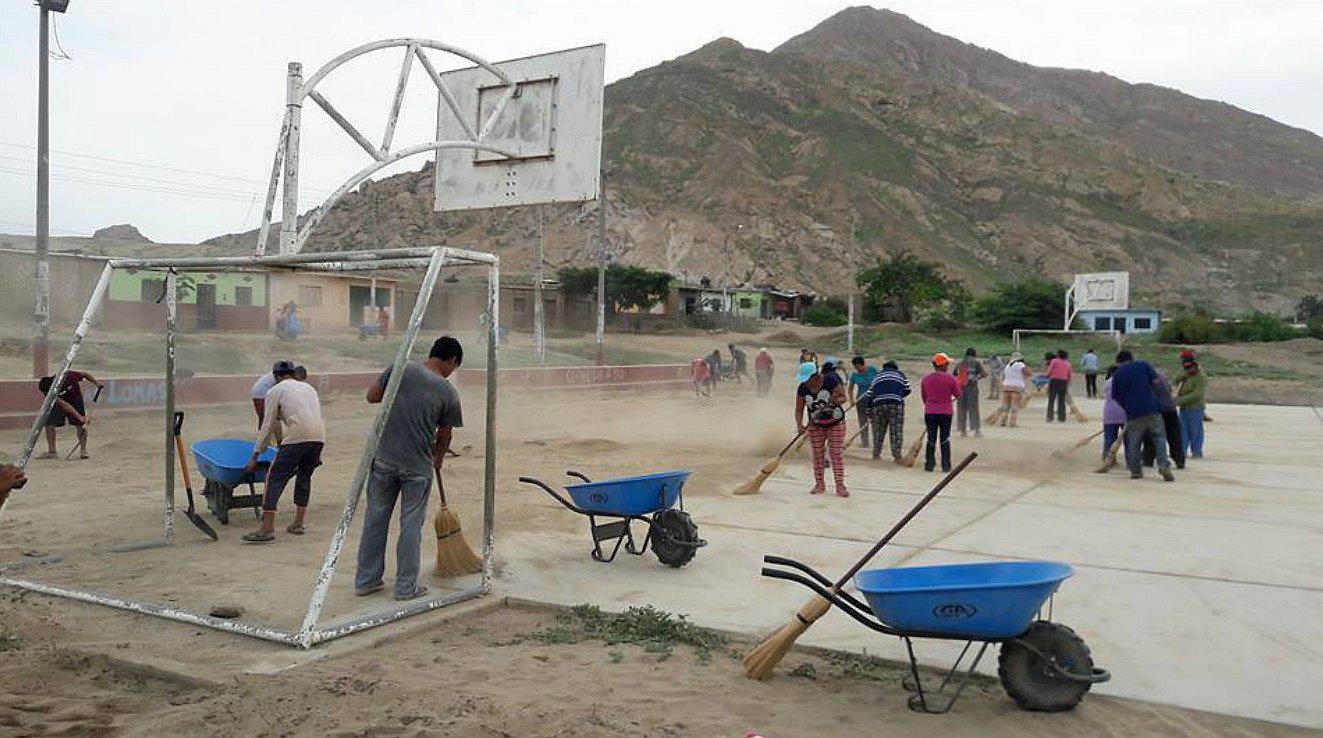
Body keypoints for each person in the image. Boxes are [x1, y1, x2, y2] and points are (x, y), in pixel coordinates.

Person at [355, 336, 465, 601]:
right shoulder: (447, 392)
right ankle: (406, 587)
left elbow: (372, 397)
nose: (452, 373)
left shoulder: (400, 367)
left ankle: (367, 580)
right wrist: (437, 458)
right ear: (452, 361)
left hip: (383, 460)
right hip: (417, 467)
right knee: (411, 526)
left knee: (375, 520)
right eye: (454, 367)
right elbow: (445, 436)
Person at [242, 361, 325, 543]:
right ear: (293, 374)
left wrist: (255, 456)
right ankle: (298, 523)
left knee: (274, 477)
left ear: (276, 376)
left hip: (296, 438)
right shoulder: (309, 388)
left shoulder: (274, 390)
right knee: (304, 477)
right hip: (319, 438)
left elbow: (267, 425)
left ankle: (267, 528)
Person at [1111, 350, 1175, 481]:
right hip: (1152, 408)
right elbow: (1157, 382)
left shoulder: (1117, 374)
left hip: (1133, 413)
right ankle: (1164, 466)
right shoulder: (1143, 365)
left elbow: (1115, 396)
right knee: (1159, 437)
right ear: (1131, 358)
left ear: (1119, 362)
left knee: (1134, 441)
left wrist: (1126, 405)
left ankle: (1135, 470)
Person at [795, 362, 848, 497]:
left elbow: (843, 397)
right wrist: (800, 425)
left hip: (835, 422)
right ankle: (819, 484)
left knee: (835, 453)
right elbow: (799, 409)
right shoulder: (802, 388)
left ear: (816, 376)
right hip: (816, 425)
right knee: (818, 455)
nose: (805, 382)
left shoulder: (830, 380)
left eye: (807, 379)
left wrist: (834, 401)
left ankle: (840, 486)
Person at [36, 370, 105, 460]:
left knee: (80, 425)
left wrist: (96, 383)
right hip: (60, 403)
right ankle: (52, 452)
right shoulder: (49, 394)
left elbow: (84, 374)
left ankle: (83, 450)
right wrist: (80, 417)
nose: (47, 394)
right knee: (49, 423)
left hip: (75, 399)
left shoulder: (69, 376)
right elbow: (65, 406)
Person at [862, 360, 910, 462]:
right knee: (896, 430)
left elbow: (869, 395)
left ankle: (876, 454)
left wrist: (869, 410)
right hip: (896, 405)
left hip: (879, 404)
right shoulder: (900, 374)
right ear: (896, 368)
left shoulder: (877, 376)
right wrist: (898, 395)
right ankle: (897, 456)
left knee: (878, 430)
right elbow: (908, 389)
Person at [920, 353, 961, 472]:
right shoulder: (951, 378)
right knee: (945, 438)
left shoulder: (926, 379)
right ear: (943, 365)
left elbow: (924, 397)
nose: (948, 365)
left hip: (930, 412)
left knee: (931, 438)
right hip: (946, 413)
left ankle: (929, 465)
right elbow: (958, 393)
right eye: (947, 363)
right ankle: (946, 465)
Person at [1143, 368, 1185, 470]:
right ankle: (1179, 460)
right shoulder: (1162, 377)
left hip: (1156, 410)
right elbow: (1169, 391)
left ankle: (1148, 459)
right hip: (1170, 409)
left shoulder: (1145, 380)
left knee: (1151, 435)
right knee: (1174, 436)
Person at [1176, 355, 1207, 459]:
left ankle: (1197, 452)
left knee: (1195, 431)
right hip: (1184, 409)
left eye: (1190, 367)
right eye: (1186, 368)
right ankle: (1182, 451)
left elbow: (1197, 394)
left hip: (1196, 408)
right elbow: (1175, 380)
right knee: (1183, 431)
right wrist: (1181, 376)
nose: (1189, 370)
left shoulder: (1201, 377)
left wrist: (1178, 401)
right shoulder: (1186, 374)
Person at [954, 348, 987, 437]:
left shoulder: (959, 363)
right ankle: (977, 431)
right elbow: (983, 374)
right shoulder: (976, 362)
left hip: (960, 389)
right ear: (974, 354)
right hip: (971, 388)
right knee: (973, 409)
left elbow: (954, 375)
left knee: (961, 409)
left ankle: (963, 431)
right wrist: (976, 377)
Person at [847, 357, 879, 449]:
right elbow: (850, 388)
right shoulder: (854, 375)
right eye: (855, 367)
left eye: (857, 366)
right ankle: (864, 442)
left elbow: (879, 381)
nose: (856, 369)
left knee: (874, 421)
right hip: (860, 401)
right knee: (862, 421)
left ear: (862, 364)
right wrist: (851, 400)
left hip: (873, 400)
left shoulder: (872, 370)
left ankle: (876, 442)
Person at [1100, 365, 1127, 466]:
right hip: (1125, 414)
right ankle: (1130, 460)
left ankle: (1107, 460)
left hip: (1110, 414)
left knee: (1109, 438)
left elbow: (1104, 395)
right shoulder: (1126, 382)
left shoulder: (1107, 383)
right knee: (1128, 439)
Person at [994, 352, 1029, 427]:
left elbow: (1004, 377)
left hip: (1006, 387)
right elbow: (1027, 373)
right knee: (1014, 406)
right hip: (1016, 388)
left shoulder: (1008, 365)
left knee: (1005, 406)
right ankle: (1013, 422)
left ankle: (1003, 421)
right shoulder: (1020, 364)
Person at [1045, 350, 1072, 423]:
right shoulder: (1068, 364)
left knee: (1051, 400)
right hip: (1063, 382)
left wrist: (1046, 375)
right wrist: (1068, 383)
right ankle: (1062, 418)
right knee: (1062, 400)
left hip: (1054, 381)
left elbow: (1049, 371)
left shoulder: (1054, 361)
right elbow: (1069, 375)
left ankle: (1049, 417)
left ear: (1058, 355)